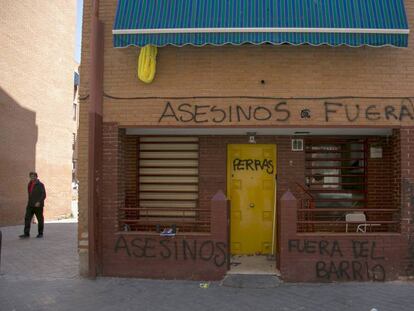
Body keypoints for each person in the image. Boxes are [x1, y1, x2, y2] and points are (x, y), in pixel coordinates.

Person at [19, 172, 46, 238]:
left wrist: (39, 202)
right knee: (27, 218)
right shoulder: (29, 184)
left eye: (33, 176)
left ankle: (40, 233)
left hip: (38, 206)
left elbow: (44, 195)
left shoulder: (40, 184)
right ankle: (26, 234)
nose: (32, 178)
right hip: (30, 205)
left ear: (36, 177)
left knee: (40, 219)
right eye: (31, 176)